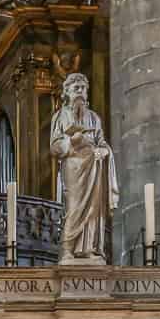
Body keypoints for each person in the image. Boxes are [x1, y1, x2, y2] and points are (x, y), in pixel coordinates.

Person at [49, 71, 117, 263]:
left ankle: (88, 248)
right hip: (74, 165)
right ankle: (68, 249)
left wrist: (104, 150)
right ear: (67, 92)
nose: (80, 92)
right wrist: (71, 141)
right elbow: (54, 146)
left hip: (93, 166)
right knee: (74, 206)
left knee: (93, 208)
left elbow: (101, 141)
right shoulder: (60, 116)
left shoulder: (94, 118)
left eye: (83, 88)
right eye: (76, 88)